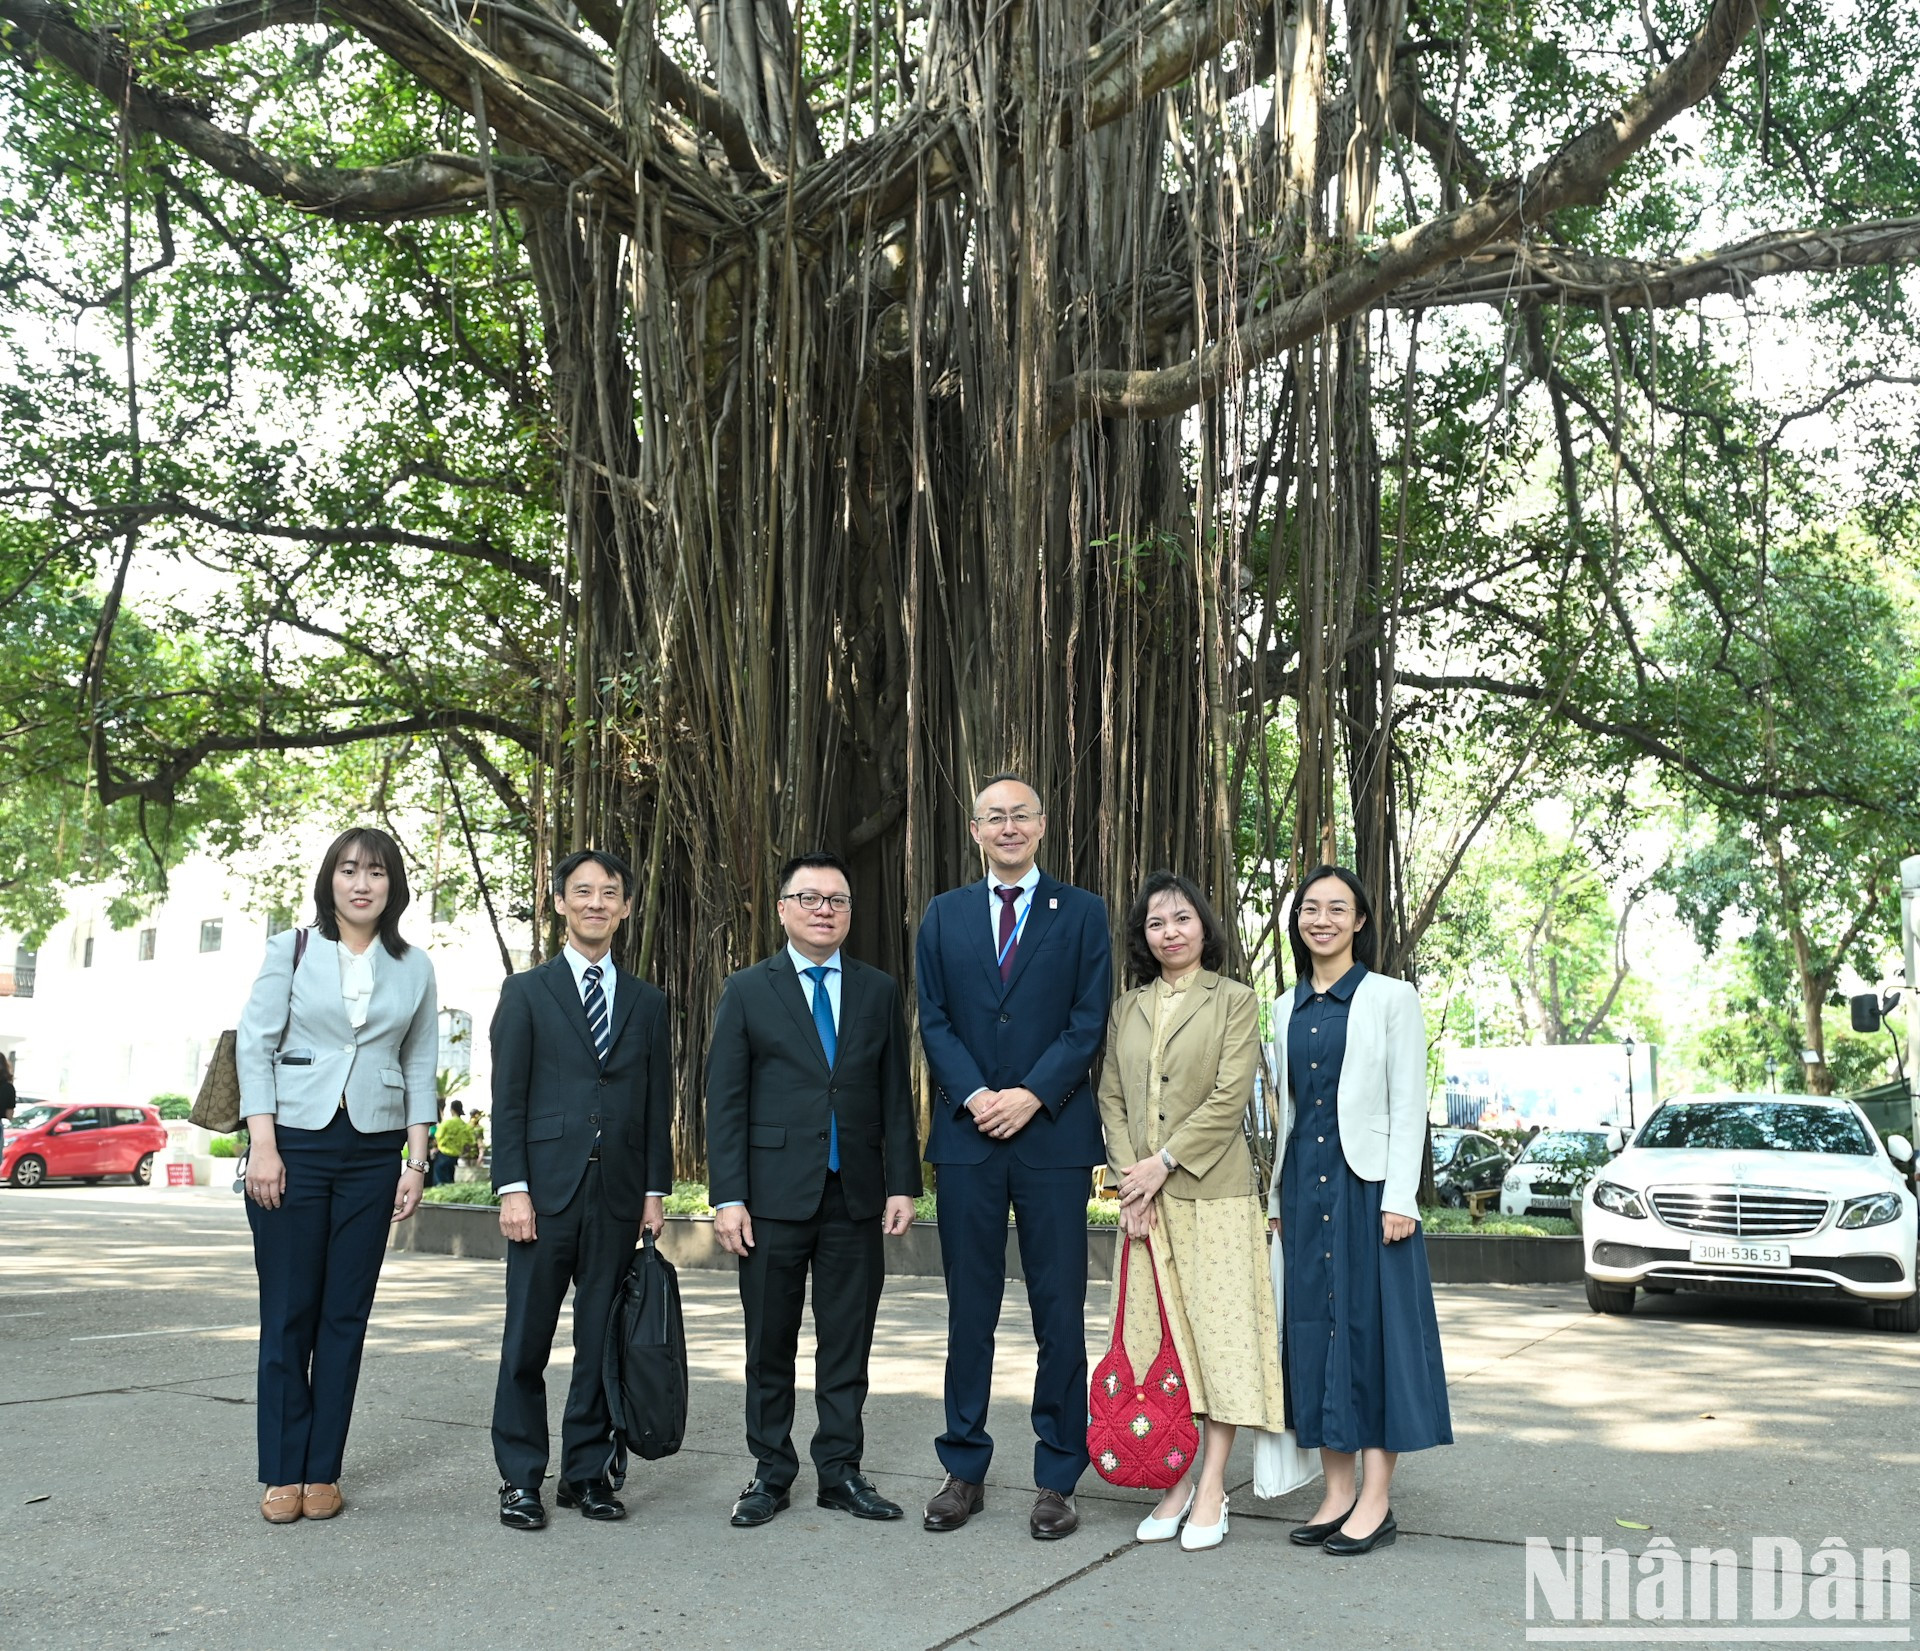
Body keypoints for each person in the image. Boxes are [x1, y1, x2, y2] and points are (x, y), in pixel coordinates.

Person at [915, 772, 1111, 1539]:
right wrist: (973, 1096)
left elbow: (1087, 1019)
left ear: (1040, 824)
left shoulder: (1082, 912)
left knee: (1058, 1309)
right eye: (992, 816)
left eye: (1018, 814)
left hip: (1053, 1138)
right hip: (968, 1139)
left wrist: (1030, 1094)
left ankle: (1059, 1474)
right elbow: (934, 1019)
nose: (1006, 827)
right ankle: (963, 1465)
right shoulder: (943, 914)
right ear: (974, 830)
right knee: (971, 1307)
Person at [705, 851, 923, 1529]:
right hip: (769, 1198)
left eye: (837, 899)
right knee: (769, 1341)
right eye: (810, 897)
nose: (824, 908)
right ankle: (770, 1470)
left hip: (854, 1193)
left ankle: (840, 1470)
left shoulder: (878, 988)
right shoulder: (747, 988)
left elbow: (893, 1094)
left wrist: (903, 1184)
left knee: (847, 1341)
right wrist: (727, 1195)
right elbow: (726, 1099)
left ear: (850, 913)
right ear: (783, 908)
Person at [235, 827, 439, 1525]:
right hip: (292, 1142)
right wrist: (264, 1145)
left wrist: (417, 1159)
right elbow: (255, 1048)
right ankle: (281, 1469)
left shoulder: (413, 965)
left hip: (374, 1151)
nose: (362, 883)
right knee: (288, 1312)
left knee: (345, 1316)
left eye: (376, 872)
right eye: (349, 870)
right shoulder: (290, 949)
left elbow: (418, 1062)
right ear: (329, 879)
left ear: (393, 885)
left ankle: (323, 1469)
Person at [1097, 871, 1290, 1551]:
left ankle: (1210, 1485)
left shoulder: (1235, 1000)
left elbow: (1231, 1094)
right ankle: (1172, 1478)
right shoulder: (1127, 1007)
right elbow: (1112, 1100)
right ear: (1143, 937)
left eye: (1181, 918)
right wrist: (1133, 1183)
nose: (1170, 931)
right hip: (1144, 1204)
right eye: (1156, 922)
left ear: (1203, 927)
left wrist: (1164, 1162)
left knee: (1218, 1340)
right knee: (1158, 1341)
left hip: (1214, 1195)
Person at [489, 848, 672, 1531]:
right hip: (543, 1195)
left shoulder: (649, 1000)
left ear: (626, 906)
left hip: (618, 1195)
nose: (597, 902)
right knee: (526, 1342)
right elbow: (507, 1099)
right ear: (560, 902)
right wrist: (512, 1187)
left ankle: (587, 1472)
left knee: (600, 1341)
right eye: (583, 891)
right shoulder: (527, 992)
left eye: (610, 892)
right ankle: (520, 1478)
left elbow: (657, 1103)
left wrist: (656, 1190)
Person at [1272, 864, 1451, 1557]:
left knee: (1375, 1338)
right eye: (1310, 908)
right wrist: (1276, 1196)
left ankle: (1376, 1499)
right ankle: (1337, 1491)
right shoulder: (1285, 1007)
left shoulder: (1390, 998)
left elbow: (1410, 1102)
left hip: (1370, 1190)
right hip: (1303, 1190)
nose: (1321, 919)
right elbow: (1285, 1111)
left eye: (1336, 908)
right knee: (1316, 1335)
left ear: (1360, 920)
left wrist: (1401, 1196)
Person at [431, 1098, 465, 1186]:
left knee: (440, 1180)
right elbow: (469, 1140)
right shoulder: (464, 1125)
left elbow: (438, 1136)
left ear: (452, 1110)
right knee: (450, 1179)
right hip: (455, 1155)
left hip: (444, 1153)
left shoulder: (447, 1123)